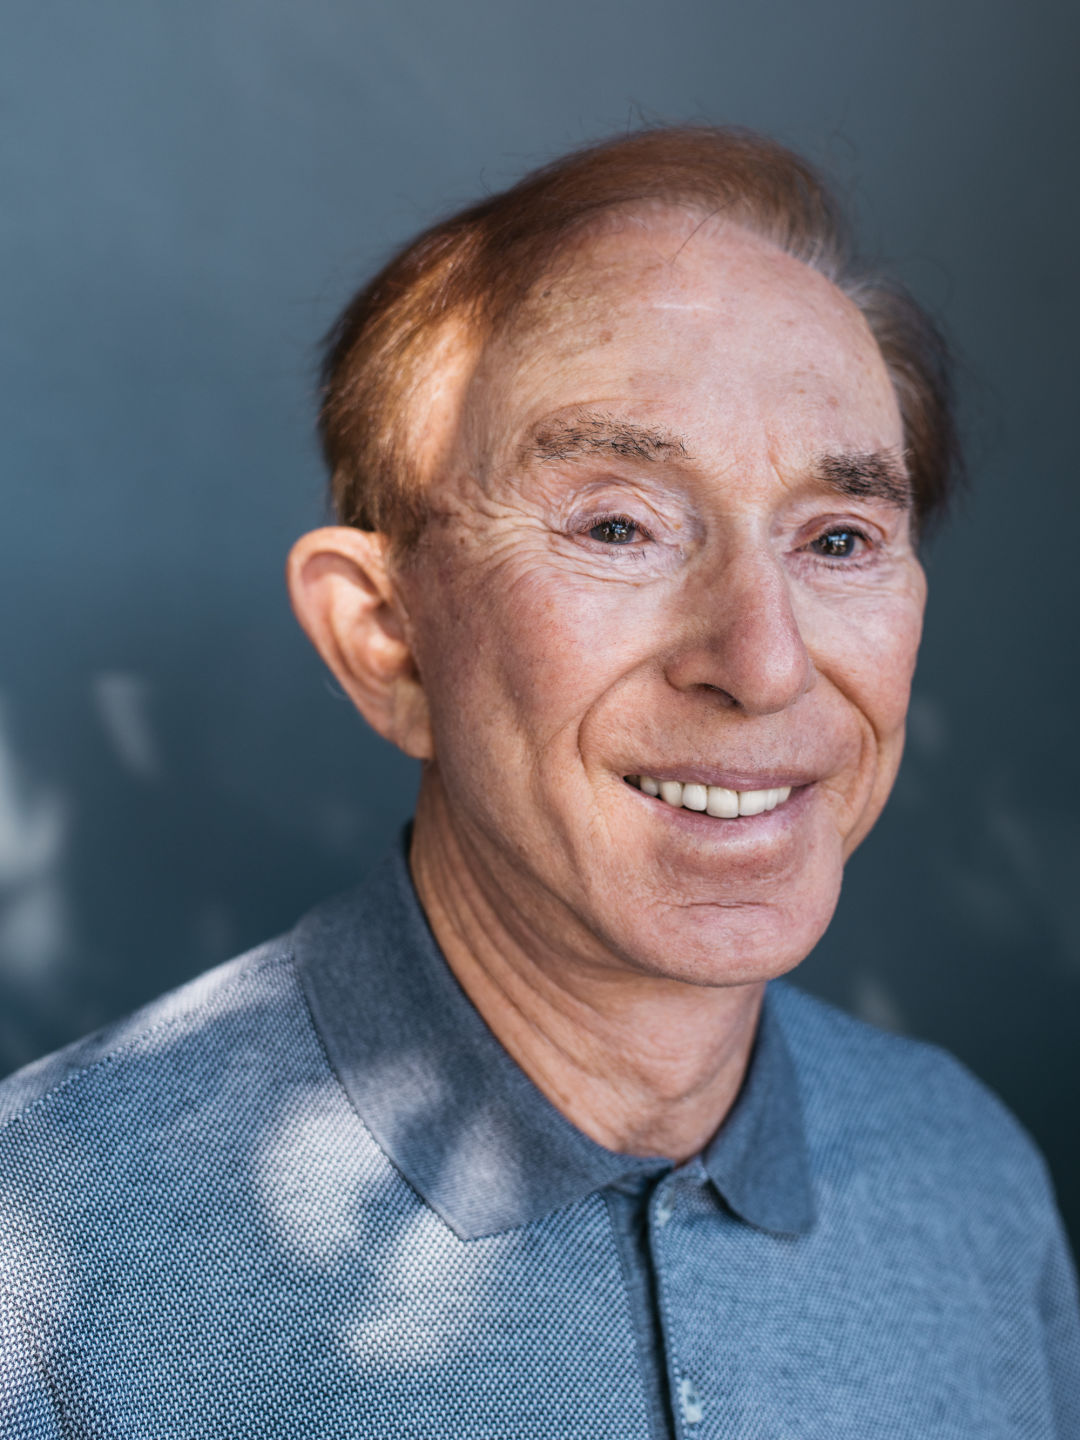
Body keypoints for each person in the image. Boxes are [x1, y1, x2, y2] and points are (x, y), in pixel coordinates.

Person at [0, 126, 1076, 1439]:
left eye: (839, 538)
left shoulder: (970, 1184)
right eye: (618, 525)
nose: (763, 663)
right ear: (385, 639)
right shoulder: (42, 1266)